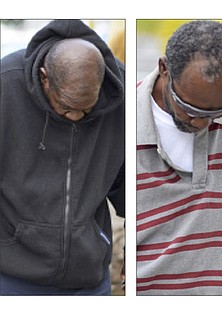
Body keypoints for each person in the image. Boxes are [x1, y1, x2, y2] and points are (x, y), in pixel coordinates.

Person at [136, 20, 222, 295]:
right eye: (188, 108)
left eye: (219, 110)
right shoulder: (124, 119)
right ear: (164, 68)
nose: (202, 123)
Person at [0, 19, 125, 295]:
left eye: (87, 109)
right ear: (44, 78)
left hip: (88, 280)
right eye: (68, 107)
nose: (77, 117)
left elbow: (131, 185)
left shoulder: (120, 93)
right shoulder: (5, 85)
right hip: (10, 277)